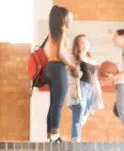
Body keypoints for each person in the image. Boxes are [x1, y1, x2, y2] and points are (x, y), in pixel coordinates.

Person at [46, 5, 80, 142]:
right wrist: (73, 66)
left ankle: (50, 135)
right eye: (70, 17)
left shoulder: (53, 32)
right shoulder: (62, 32)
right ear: (64, 18)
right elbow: (60, 54)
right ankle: (55, 135)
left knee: (53, 103)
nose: (72, 19)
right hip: (58, 67)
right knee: (58, 104)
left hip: (50, 67)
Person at [67, 34, 102, 142]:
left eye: (86, 41)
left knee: (84, 115)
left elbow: (94, 77)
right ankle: (75, 139)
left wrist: (98, 92)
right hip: (80, 87)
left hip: (91, 90)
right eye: (81, 42)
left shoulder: (91, 59)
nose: (84, 44)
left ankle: (75, 135)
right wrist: (73, 87)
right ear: (77, 45)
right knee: (78, 112)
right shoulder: (75, 58)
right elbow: (70, 74)